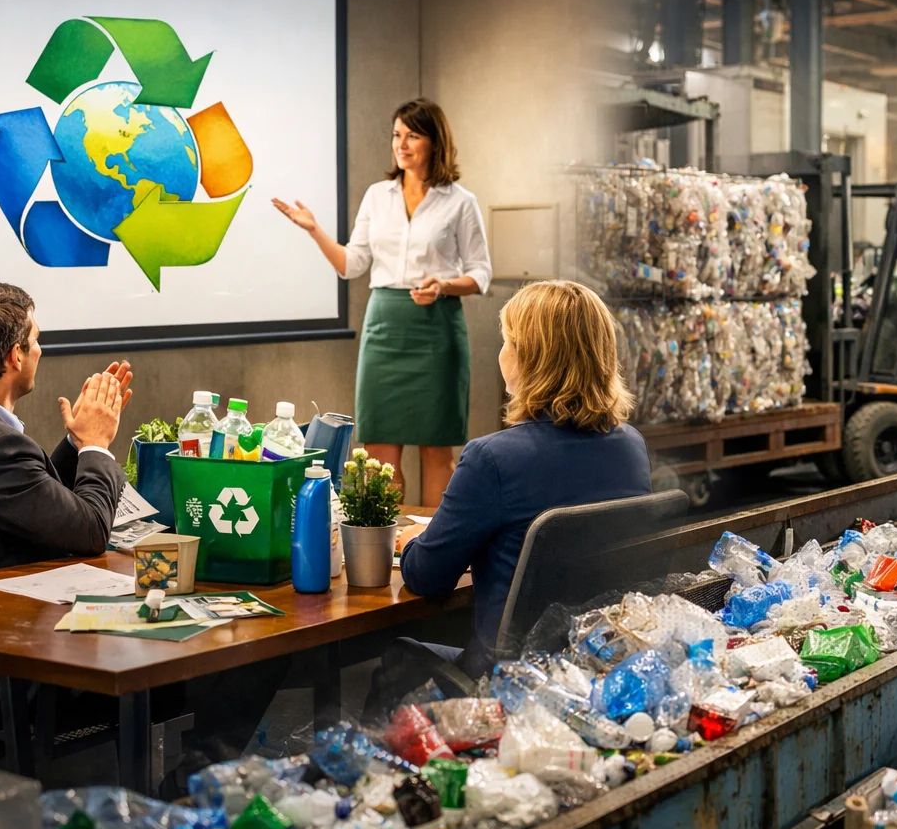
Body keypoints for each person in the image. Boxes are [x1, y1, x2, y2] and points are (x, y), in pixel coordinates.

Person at [364, 280, 651, 714]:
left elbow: (427, 577)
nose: (502, 353)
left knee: (401, 654)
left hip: (509, 682)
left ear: (528, 358)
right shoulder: (631, 446)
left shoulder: (493, 458)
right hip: (598, 672)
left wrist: (412, 543)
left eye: (507, 342)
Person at [273, 98, 491, 507]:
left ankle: (433, 540)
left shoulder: (460, 201)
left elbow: (481, 273)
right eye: (396, 135)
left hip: (437, 328)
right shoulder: (377, 195)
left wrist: (443, 286)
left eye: (412, 136)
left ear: (435, 142)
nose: (401, 144)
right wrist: (314, 230)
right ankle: (387, 540)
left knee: (436, 450)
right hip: (385, 326)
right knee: (377, 450)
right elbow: (351, 264)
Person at [0, 282, 131, 572]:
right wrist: (96, 445)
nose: (39, 350)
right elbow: (90, 532)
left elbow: (34, 497)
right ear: (15, 356)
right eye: (36, 339)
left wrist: (77, 443)